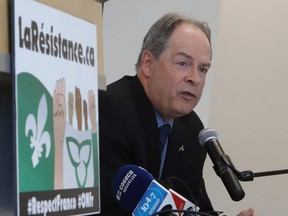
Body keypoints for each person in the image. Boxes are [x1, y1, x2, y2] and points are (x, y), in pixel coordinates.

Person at [98, 12, 257, 216]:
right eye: (183, 63)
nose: (195, 79)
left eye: (203, 69)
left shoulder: (192, 129)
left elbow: (196, 206)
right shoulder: (109, 109)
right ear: (148, 63)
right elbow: (106, 207)